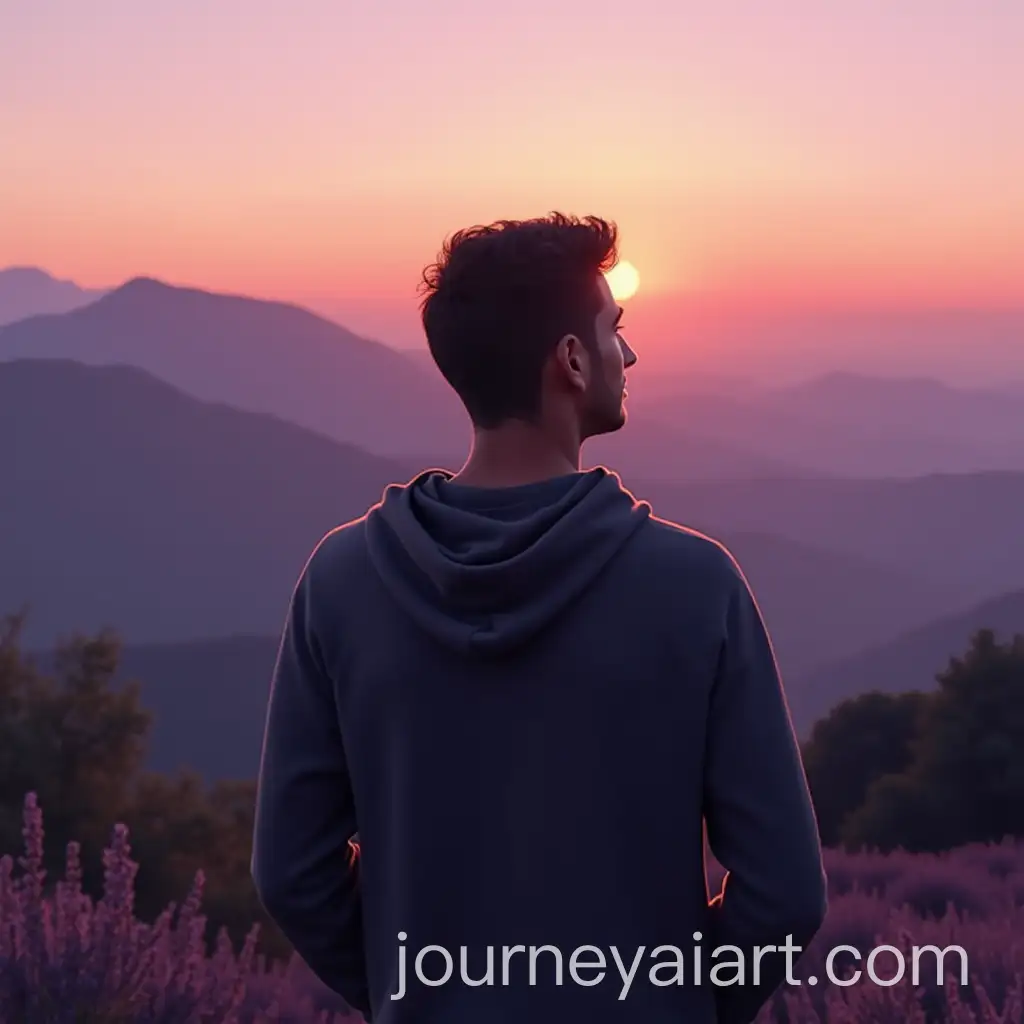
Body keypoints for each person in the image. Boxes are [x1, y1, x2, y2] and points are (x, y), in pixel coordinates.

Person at [251, 212, 827, 1023]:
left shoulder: (343, 581)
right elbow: (786, 891)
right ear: (569, 360)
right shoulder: (695, 585)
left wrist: (407, 994)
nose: (627, 355)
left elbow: (290, 872)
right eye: (614, 330)